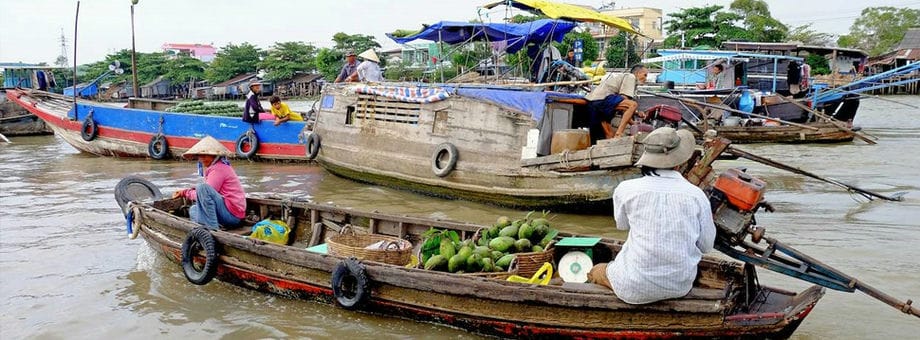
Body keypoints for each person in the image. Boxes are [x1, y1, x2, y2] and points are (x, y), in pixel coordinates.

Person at [586, 127, 716, 304]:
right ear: (679, 163)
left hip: (633, 286)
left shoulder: (626, 189)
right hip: (679, 286)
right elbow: (706, 246)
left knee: (596, 270)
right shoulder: (696, 195)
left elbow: (622, 226)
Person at [172, 136, 247, 230]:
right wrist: (187, 191)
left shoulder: (218, 169)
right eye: (200, 156)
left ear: (214, 156)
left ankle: (212, 229)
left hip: (232, 216)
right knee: (193, 210)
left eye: (205, 156)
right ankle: (215, 225)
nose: (202, 159)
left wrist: (185, 193)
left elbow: (204, 192)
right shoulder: (219, 167)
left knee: (202, 188)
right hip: (229, 213)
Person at [584, 64, 648, 142]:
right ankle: (619, 134)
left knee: (609, 135)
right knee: (633, 104)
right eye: (645, 75)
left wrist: (634, 117)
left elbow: (623, 106)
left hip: (593, 103)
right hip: (602, 100)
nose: (646, 78)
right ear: (638, 73)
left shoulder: (622, 76)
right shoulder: (631, 77)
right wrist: (633, 121)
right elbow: (625, 99)